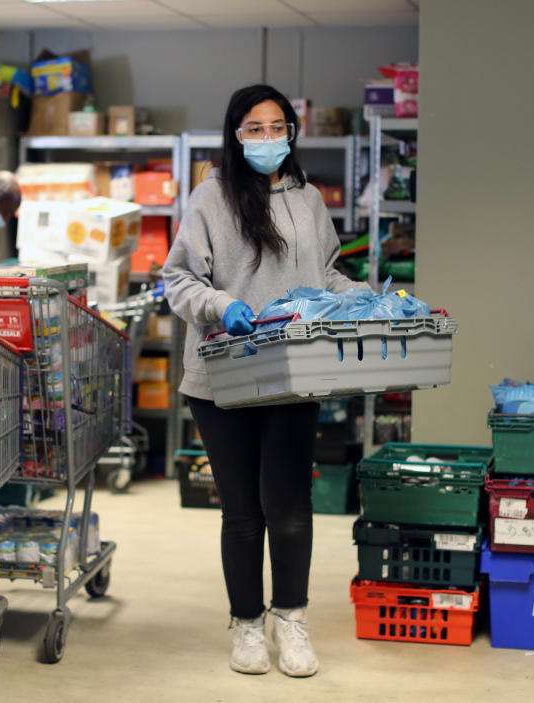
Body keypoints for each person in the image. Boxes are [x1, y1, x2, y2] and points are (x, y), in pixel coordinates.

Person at [162, 84, 370, 678]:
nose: (267, 138)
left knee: (290, 505)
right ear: (234, 134)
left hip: (293, 371)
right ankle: (247, 627)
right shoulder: (210, 198)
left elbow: (325, 274)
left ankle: (293, 621)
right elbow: (178, 280)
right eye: (254, 128)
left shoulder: (308, 201)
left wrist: (369, 300)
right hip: (223, 374)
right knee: (243, 511)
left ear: (291, 133)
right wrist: (221, 304)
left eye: (277, 127)